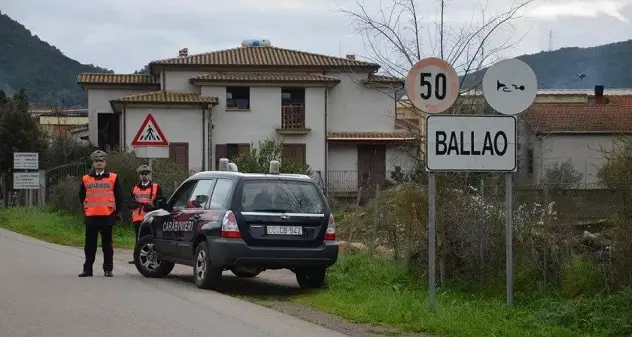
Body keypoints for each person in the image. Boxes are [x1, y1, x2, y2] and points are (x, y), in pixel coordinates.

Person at [78, 150, 124, 277]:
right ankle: (87, 270)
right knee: (89, 246)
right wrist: (86, 212)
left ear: (105, 163)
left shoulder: (113, 178)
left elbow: (119, 197)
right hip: (91, 217)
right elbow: (81, 196)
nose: (99, 163)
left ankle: (108, 269)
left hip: (107, 217)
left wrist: (117, 212)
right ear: (93, 163)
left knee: (107, 246)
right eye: (96, 161)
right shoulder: (86, 179)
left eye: (101, 161)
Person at [127, 164, 164, 264]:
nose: (144, 176)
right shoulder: (134, 188)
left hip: (151, 217)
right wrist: (135, 205)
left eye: (146, 174)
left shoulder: (156, 187)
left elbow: (161, 202)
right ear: (139, 175)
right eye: (142, 174)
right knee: (138, 238)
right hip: (137, 218)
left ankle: (153, 256)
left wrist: (153, 207)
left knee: (150, 238)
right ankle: (137, 258)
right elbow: (129, 202)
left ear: (150, 175)